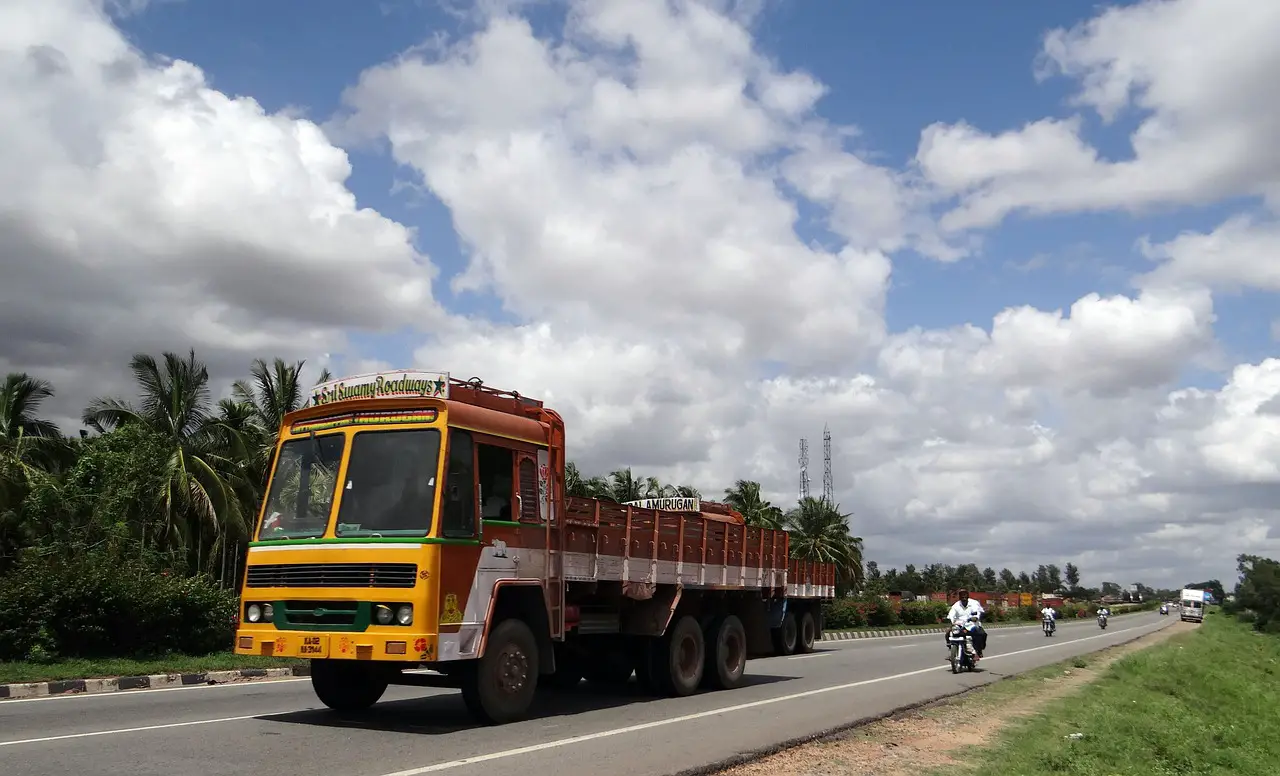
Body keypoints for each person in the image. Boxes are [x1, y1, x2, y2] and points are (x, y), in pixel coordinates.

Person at [945, 589, 987, 657]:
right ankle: (953, 649)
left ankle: (978, 650)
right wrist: (952, 621)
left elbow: (977, 612)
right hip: (960, 625)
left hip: (972, 624)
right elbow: (951, 614)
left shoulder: (974, 603)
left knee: (981, 634)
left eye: (965, 594)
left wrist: (975, 617)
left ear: (968, 595)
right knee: (948, 633)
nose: (963, 596)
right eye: (961, 595)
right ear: (959, 596)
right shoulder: (956, 605)